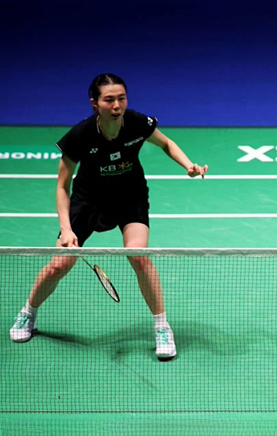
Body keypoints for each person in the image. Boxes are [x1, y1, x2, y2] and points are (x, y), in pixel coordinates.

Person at [9, 73, 208, 360]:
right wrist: (66, 229)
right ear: (95, 103)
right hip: (88, 202)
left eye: (121, 98)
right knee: (58, 265)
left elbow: (166, 143)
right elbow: (62, 186)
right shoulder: (80, 135)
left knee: (139, 257)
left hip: (130, 197)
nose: (117, 105)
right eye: (109, 100)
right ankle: (28, 312)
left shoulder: (137, 123)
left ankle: (162, 326)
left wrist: (188, 165)